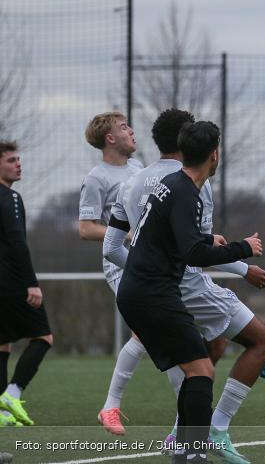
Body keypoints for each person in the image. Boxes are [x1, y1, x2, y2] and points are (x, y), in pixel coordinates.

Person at [105, 109, 265, 463]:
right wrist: (244, 249)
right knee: (203, 369)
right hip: (155, 293)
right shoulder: (186, 191)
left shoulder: (171, 185)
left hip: (144, 291)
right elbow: (194, 253)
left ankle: (182, 450)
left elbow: (142, 244)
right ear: (214, 154)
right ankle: (196, 450)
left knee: (199, 365)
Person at [78, 112, 145, 434]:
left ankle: (192, 408)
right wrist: (124, 234)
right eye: (123, 127)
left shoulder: (138, 169)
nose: (131, 131)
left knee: (170, 332)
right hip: (120, 261)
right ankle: (111, 406)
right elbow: (86, 228)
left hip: (150, 259)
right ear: (110, 139)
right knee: (148, 332)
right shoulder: (96, 178)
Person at [0, 141, 53, 427]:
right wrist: (31, 284)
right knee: (44, 337)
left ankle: (2, 414)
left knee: (2, 345)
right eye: (10, 160)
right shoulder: (11, 197)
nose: (18, 164)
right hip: (10, 282)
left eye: (18, 159)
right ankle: (12, 392)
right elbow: (17, 243)